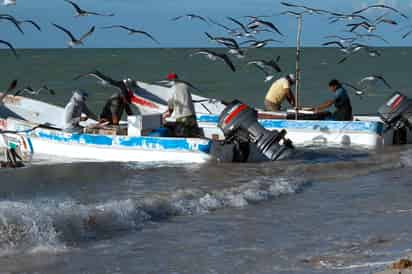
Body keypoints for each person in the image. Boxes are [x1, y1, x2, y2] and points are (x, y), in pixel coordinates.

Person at [163, 73, 200, 137]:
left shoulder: (172, 88)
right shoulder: (185, 86)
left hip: (182, 117)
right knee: (193, 136)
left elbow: (171, 102)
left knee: (181, 136)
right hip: (192, 116)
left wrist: (169, 112)